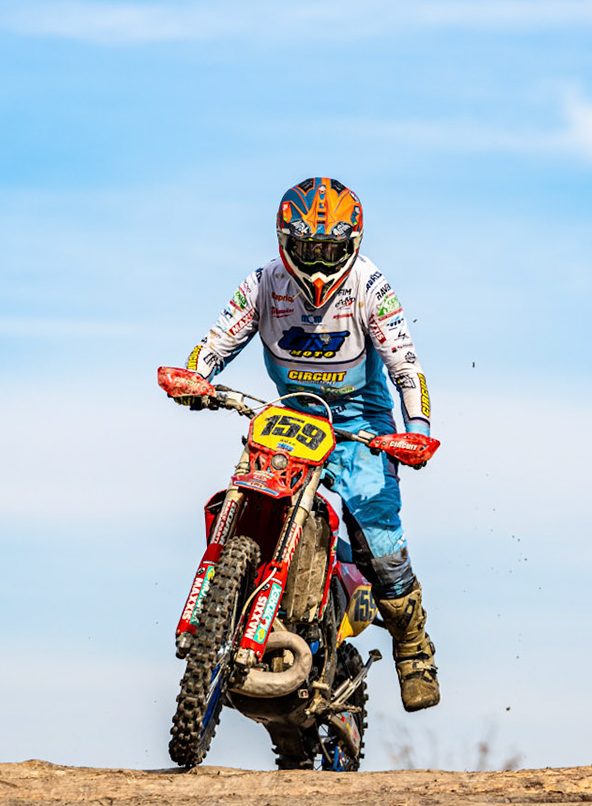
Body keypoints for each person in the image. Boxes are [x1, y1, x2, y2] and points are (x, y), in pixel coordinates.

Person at [177, 177, 440, 712]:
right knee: (248, 491)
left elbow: (406, 366)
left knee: (379, 533)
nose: (318, 267)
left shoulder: (372, 287)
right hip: (291, 415)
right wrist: (194, 377)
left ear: (353, 246)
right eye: (307, 251)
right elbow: (216, 339)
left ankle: (413, 650)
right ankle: (234, 601)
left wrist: (418, 430)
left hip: (361, 422)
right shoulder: (262, 284)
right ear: (284, 242)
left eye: (331, 252)